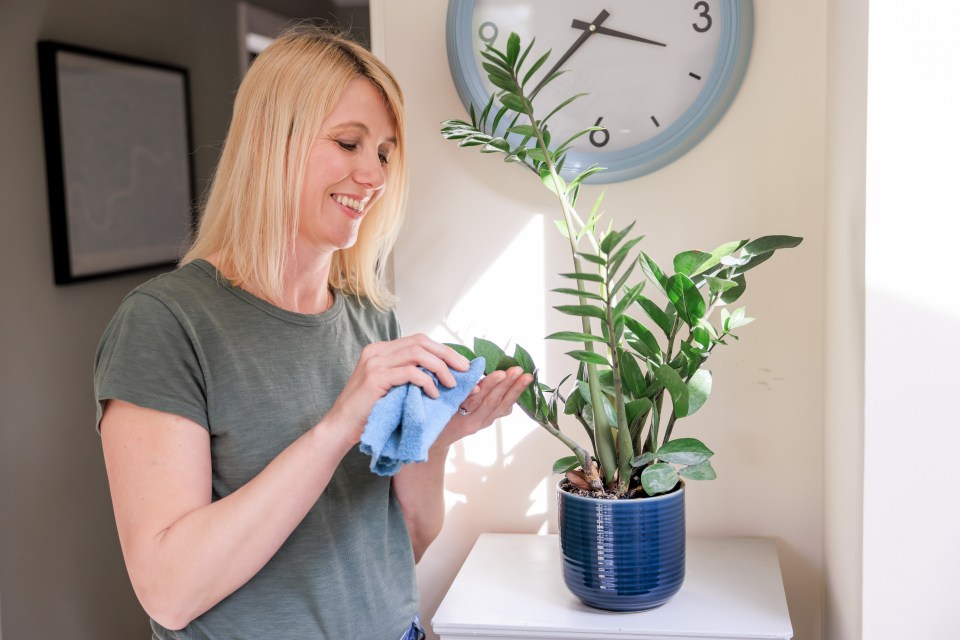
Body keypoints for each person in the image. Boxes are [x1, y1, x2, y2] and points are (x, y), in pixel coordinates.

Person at [95, 26, 532, 639]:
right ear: (269, 142)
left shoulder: (370, 320)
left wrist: (435, 440)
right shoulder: (167, 324)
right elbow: (169, 593)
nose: (373, 175)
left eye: (383, 151)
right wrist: (338, 426)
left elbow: (405, 544)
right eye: (348, 142)